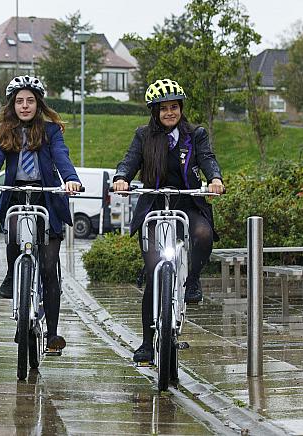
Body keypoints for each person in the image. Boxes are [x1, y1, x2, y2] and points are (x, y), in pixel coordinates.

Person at [112, 78, 224, 364]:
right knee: (153, 273)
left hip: (187, 203)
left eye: (174, 107)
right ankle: (147, 343)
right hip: (154, 205)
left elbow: (208, 159)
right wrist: (122, 178)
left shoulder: (195, 135)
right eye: (163, 109)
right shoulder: (143, 136)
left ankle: (193, 280)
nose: (169, 113)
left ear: (181, 108)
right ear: (154, 112)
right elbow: (130, 160)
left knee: (202, 234)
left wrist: (215, 178)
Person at [0, 75, 82, 353]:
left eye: (30, 101)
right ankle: (13, 275)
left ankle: (52, 334)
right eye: (19, 101)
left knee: (49, 266)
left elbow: (62, 157)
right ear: (12, 105)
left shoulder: (51, 132)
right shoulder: (6, 132)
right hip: (16, 194)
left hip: (46, 196)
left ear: (38, 104)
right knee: (12, 230)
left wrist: (70, 179)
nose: (25, 106)